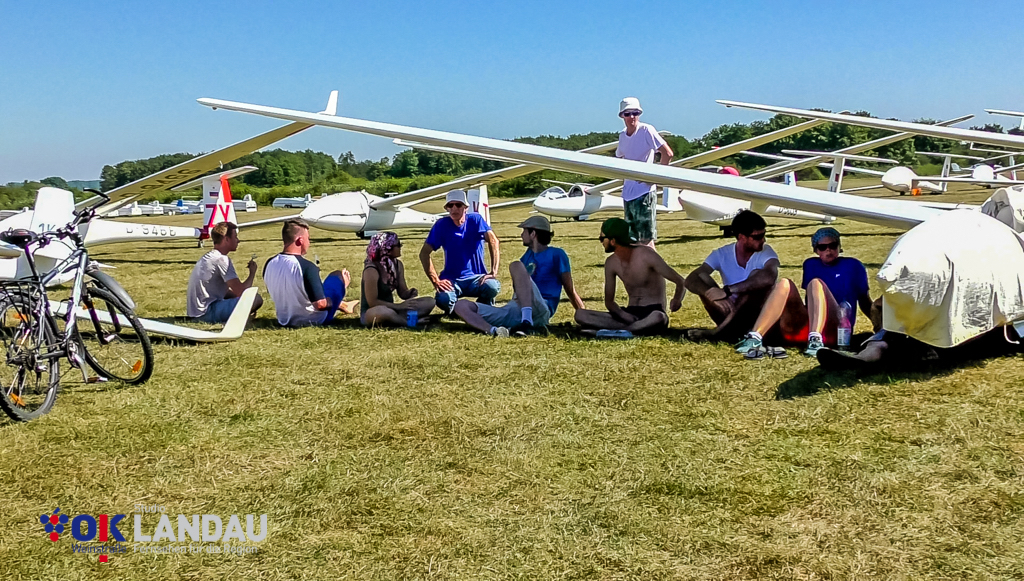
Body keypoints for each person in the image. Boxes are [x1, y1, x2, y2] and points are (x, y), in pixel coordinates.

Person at [734, 227, 873, 359]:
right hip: (805, 328)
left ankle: (815, 339)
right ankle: (755, 336)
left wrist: (879, 326)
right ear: (816, 250)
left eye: (833, 245)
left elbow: (864, 300)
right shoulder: (811, 264)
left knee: (815, 283)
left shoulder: (853, 265)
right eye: (822, 247)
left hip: (838, 330)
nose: (828, 250)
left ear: (839, 246)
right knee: (784, 283)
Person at [453, 216, 585, 337]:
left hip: (541, 308)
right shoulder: (526, 256)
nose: (521, 235)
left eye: (524, 231)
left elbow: (570, 289)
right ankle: (495, 331)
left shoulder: (557, 254)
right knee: (460, 305)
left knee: (515, 265)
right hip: (515, 309)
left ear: (533, 234)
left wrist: (583, 315)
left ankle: (527, 322)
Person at [574, 217, 685, 338]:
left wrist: (677, 299)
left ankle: (614, 332)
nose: (601, 242)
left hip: (652, 313)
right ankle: (628, 331)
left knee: (659, 317)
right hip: (629, 314)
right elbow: (609, 302)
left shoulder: (646, 255)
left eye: (602, 238)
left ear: (613, 241)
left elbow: (680, 281)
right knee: (580, 315)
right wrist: (624, 316)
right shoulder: (611, 263)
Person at [684, 210, 779, 343]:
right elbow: (691, 279)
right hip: (727, 311)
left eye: (764, 234)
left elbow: (770, 277)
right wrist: (710, 294)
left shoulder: (766, 252)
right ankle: (728, 329)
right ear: (741, 237)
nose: (763, 240)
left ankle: (718, 333)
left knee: (755, 279)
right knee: (702, 277)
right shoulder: (721, 254)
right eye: (757, 237)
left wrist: (728, 291)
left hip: (755, 314)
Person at [263, 218, 357, 327]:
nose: (309, 243)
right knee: (337, 276)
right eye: (308, 238)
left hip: (283, 319)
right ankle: (341, 302)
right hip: (314, 319)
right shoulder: (307, 267)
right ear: (300, 240)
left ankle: (343, 305)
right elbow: (320, 305)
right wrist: (340, 290)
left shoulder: (269, 263)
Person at [420, 189, 501, 314]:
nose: (454, 209)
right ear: (447, 208)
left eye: (458, 205)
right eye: (450, 205)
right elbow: (424, 253)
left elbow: (493, 241)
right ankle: (458, 311)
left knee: (492, 287)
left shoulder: (476, 220)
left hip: (477, 277)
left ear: (465, 208)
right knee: (443, 299)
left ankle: (481, 308)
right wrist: (436, 280)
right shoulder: (441, 225)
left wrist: (493, 272)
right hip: (452, 279)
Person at [615, 97, 673, 247]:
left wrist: (655, 178)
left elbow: (667, 153)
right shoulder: (622, 136)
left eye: (635, 113)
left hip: (644, 193)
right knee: (633, 241)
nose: (632, 117)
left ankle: (653, 263)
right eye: (627, 114)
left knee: (646, 241)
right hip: (628, 194)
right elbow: (620, 158)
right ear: (622, 116)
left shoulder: (646, 130)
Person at [186, 221, 263, 323]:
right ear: (226, 239)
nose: (238, 240)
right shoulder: (221, 259)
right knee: (256, 299)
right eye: (235, 237)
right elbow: (242, 292)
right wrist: (252, 273)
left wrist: (237, 297)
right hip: (207, 313)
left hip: (196, 313)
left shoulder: (208, 257)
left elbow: (224, 292)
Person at [360, 231, 436, 327]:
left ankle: (395, 318)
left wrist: (409, 294)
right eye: (398, 245)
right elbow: (372, 302)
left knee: (430, 302)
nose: (401, 247)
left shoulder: (398, 264)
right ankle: (407, 322)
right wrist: (399, 306)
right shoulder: (371, 270)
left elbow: (402, 293)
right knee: (384, 311)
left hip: (392, 308)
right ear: (388, 248)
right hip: (373, 311)